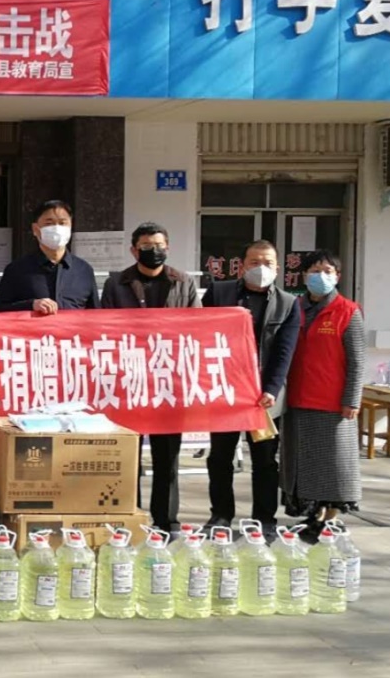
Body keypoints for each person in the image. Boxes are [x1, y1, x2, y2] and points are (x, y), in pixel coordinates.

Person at [100, 222, 200, 533]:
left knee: (167, 457)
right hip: (128, 380)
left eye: (158, 245)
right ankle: (128, 517)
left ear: (167, 248)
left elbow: (197, 328)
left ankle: (166, 520)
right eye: (146, 246)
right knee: (126, 454)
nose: (153, 251)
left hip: (169, 381)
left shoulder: (183, 282)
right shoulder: (117, 284)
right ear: (134, 250)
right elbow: (103, 328)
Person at [201, 240, 300, 540]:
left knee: (265, 461)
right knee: (220, 457)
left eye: (267, 263)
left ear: (278, 268)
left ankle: (264, 519)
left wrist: (271, 389)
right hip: (226, 392)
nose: (261, 268)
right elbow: (202, 336)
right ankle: (220, 515)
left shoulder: (288, 303)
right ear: (241, 266)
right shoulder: (219, 293)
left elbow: (284, 352)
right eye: (254, 262)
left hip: (264, 397)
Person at [280, 249, 365, 542]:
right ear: (304, 276)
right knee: (304, 463)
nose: (321, 276)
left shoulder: (348, 311)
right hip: (297, 398)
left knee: (334, 464)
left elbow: (357, 360)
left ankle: (331, 518)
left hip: (333, 403)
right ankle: (312, 516)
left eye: (327, 271)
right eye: (315, 271)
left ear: (337, 276)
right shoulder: (294, 308)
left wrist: (352, 399)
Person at [0, 199, 99, 315]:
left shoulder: (84, 270)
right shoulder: (17, 269)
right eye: (49, 223)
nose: (57, 228)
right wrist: (31, 305)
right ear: (35, 229)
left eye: (62, 223)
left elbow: (96, 315)